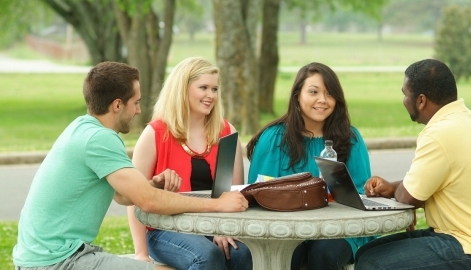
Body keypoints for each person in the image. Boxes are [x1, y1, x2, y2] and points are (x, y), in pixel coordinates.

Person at [12, 61, 248, 270]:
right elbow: (148, 201)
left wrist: (151, 184)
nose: (138, 110)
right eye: (135, 103)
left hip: (52, 256)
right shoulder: (101, 139)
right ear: (117, 105)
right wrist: (217, 204)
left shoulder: (81, 128)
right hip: (59, 261)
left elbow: (123, 196)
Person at [355, 59, 471, 270]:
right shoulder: (470, 120)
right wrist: (391, 188)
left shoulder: (440, 132)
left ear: (421, 100)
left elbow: (409, 197)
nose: (404, 100)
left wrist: (399, 190)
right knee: (366, 253)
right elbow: (428, 185)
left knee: (373, 264)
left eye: (405, 94)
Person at [246, 62, 375, 270]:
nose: (322, 100)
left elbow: (361, 192)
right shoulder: (274, 138)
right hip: (285, 229)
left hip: (338, 229)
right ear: (297, 95)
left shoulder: (350, 138)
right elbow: (258, 193)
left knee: (324, 254)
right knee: (288, 256)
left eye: (329, 94)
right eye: (313, 92)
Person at [127, 57, 252, 270]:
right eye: (203, 87)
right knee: (206, 255)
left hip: (213, 224)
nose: (211, 95)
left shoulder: (226, 133)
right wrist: (141, 253)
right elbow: (134, 197)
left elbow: (234, 194)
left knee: (240, 254)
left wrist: (224, 229)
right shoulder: (155, 133)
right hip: (164, 229)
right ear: (182, 89)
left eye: (214, 89)